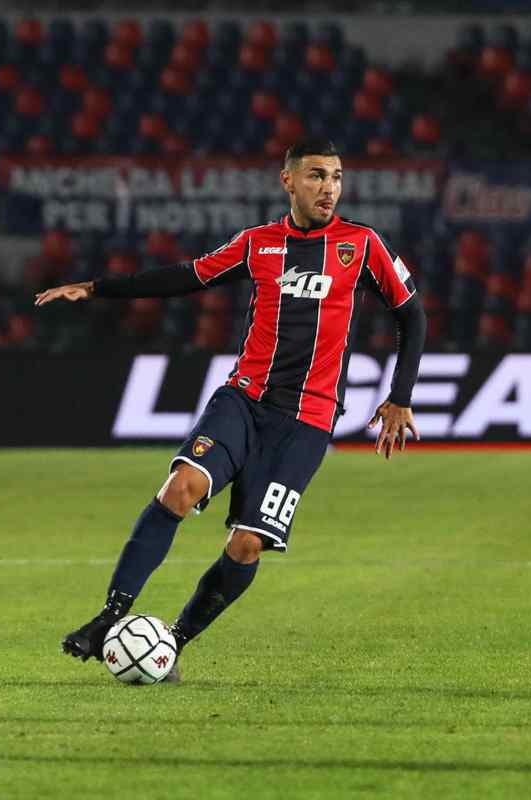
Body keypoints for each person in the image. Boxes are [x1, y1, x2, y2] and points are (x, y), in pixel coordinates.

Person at [35, 137, 426, 683]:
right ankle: (109, 618)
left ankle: (171, 642)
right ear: (288, 181)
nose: (329, 188)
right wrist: (96, 289)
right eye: (316, 176)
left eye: (336, 177)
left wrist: (400, 394)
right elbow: (184, 277)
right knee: (179, 488)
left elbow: (413, 315)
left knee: (246, 544)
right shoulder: (258, 244)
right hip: (244, 399)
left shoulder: (362, 245)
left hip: (306, 421)